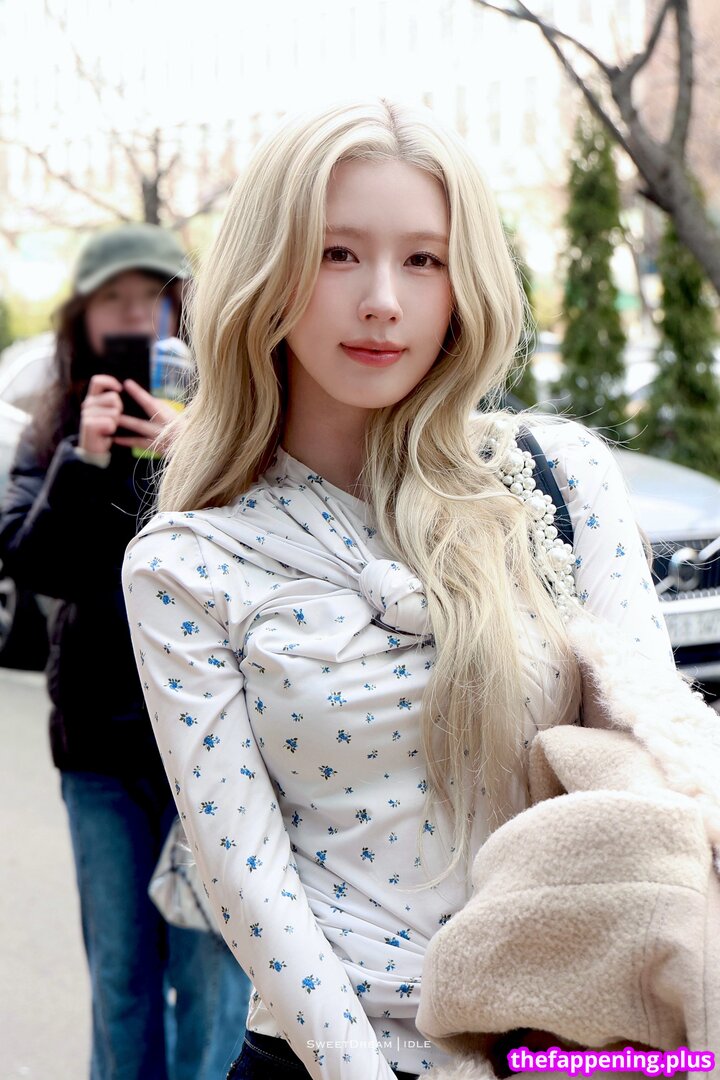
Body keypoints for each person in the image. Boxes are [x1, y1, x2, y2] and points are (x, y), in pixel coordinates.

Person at [120, 103, 680, 1080]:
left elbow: (651, 778)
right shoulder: (188, 563)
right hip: (327, 1057)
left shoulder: (559, 480)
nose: (382, 300)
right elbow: (247, 879)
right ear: (268, 270)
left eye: (424, 260)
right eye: (337, 254)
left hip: (567, 1048)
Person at [0, 223, 250, 1080]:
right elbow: (33, 564)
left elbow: (268, 558)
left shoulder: (235, 419)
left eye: (152, 296)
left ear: (182, 310)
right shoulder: (55, 425)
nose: (137, 315)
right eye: (116, 298)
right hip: (100, 752)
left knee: (211, 983)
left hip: (213, 751)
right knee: (121, 980)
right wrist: (83, 458)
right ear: (85, 316)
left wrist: (199, 455)